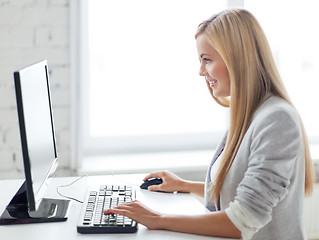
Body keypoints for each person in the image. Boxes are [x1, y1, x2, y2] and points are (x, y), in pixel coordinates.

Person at [104, 8, 315, 240]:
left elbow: (242, 220)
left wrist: (157, 219)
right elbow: (237, 191)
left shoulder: (277, 120)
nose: (201, 71)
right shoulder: (251, 113)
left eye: (207, 60)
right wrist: (183, 185)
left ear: (236, 58)